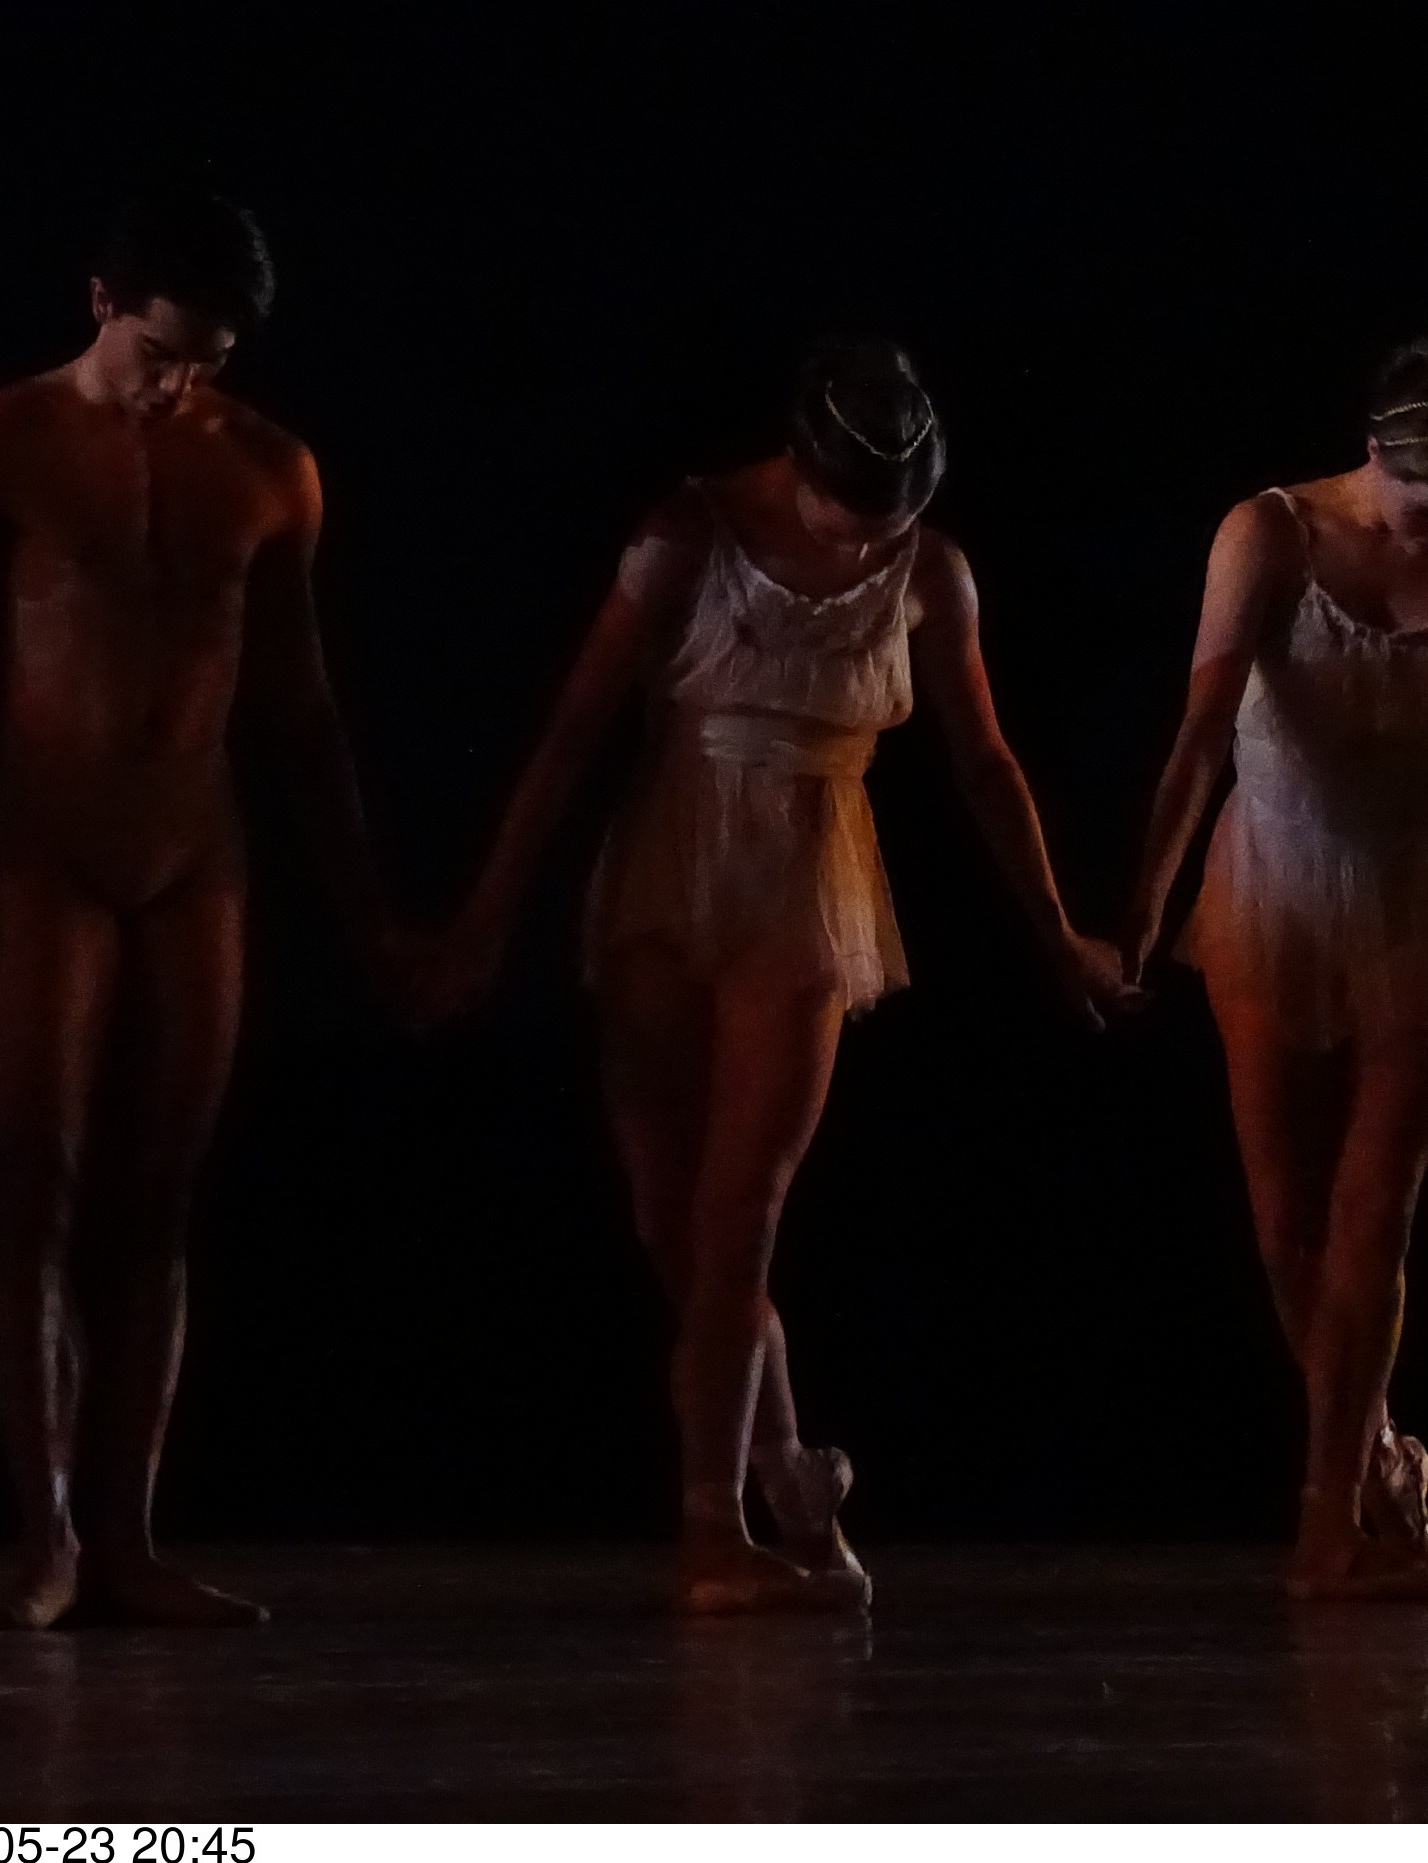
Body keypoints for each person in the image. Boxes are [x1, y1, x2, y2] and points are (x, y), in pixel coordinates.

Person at [414, 340, 1130, 1613]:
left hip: (808, 883)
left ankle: (713, 1526)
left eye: (890, 523)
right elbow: (574, 729)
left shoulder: (932, 571)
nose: (867, 544)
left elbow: (985, 763)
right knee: (672, 1218)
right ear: (800, 464)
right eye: (849, 515)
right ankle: (790, 1468)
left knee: (742, 1211)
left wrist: (1057, 928)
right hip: (674, 860)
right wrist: (485, 915)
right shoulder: (690, 534)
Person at [0, 194, 409, 1628]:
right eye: (158, 353)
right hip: (43, 847)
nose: (177, 384)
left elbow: (303, 705)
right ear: (102, 302)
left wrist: (369, 912)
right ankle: (47, 1536)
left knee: (161, 1195)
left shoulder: (270, 468)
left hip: (195, 849)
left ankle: (127, 1535)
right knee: (39, 1178)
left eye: (208, 362)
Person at [1120, 340, 1428, 1599]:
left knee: (1373, 1216)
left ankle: (1326, 1525)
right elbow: (1202, 732)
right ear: (1375, 453)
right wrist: (1144, 905)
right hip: (1273, 891)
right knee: (1289, 1228)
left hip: (1412, 905)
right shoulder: (1273, 535)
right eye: (1415, 490)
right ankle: (1377, 1457)